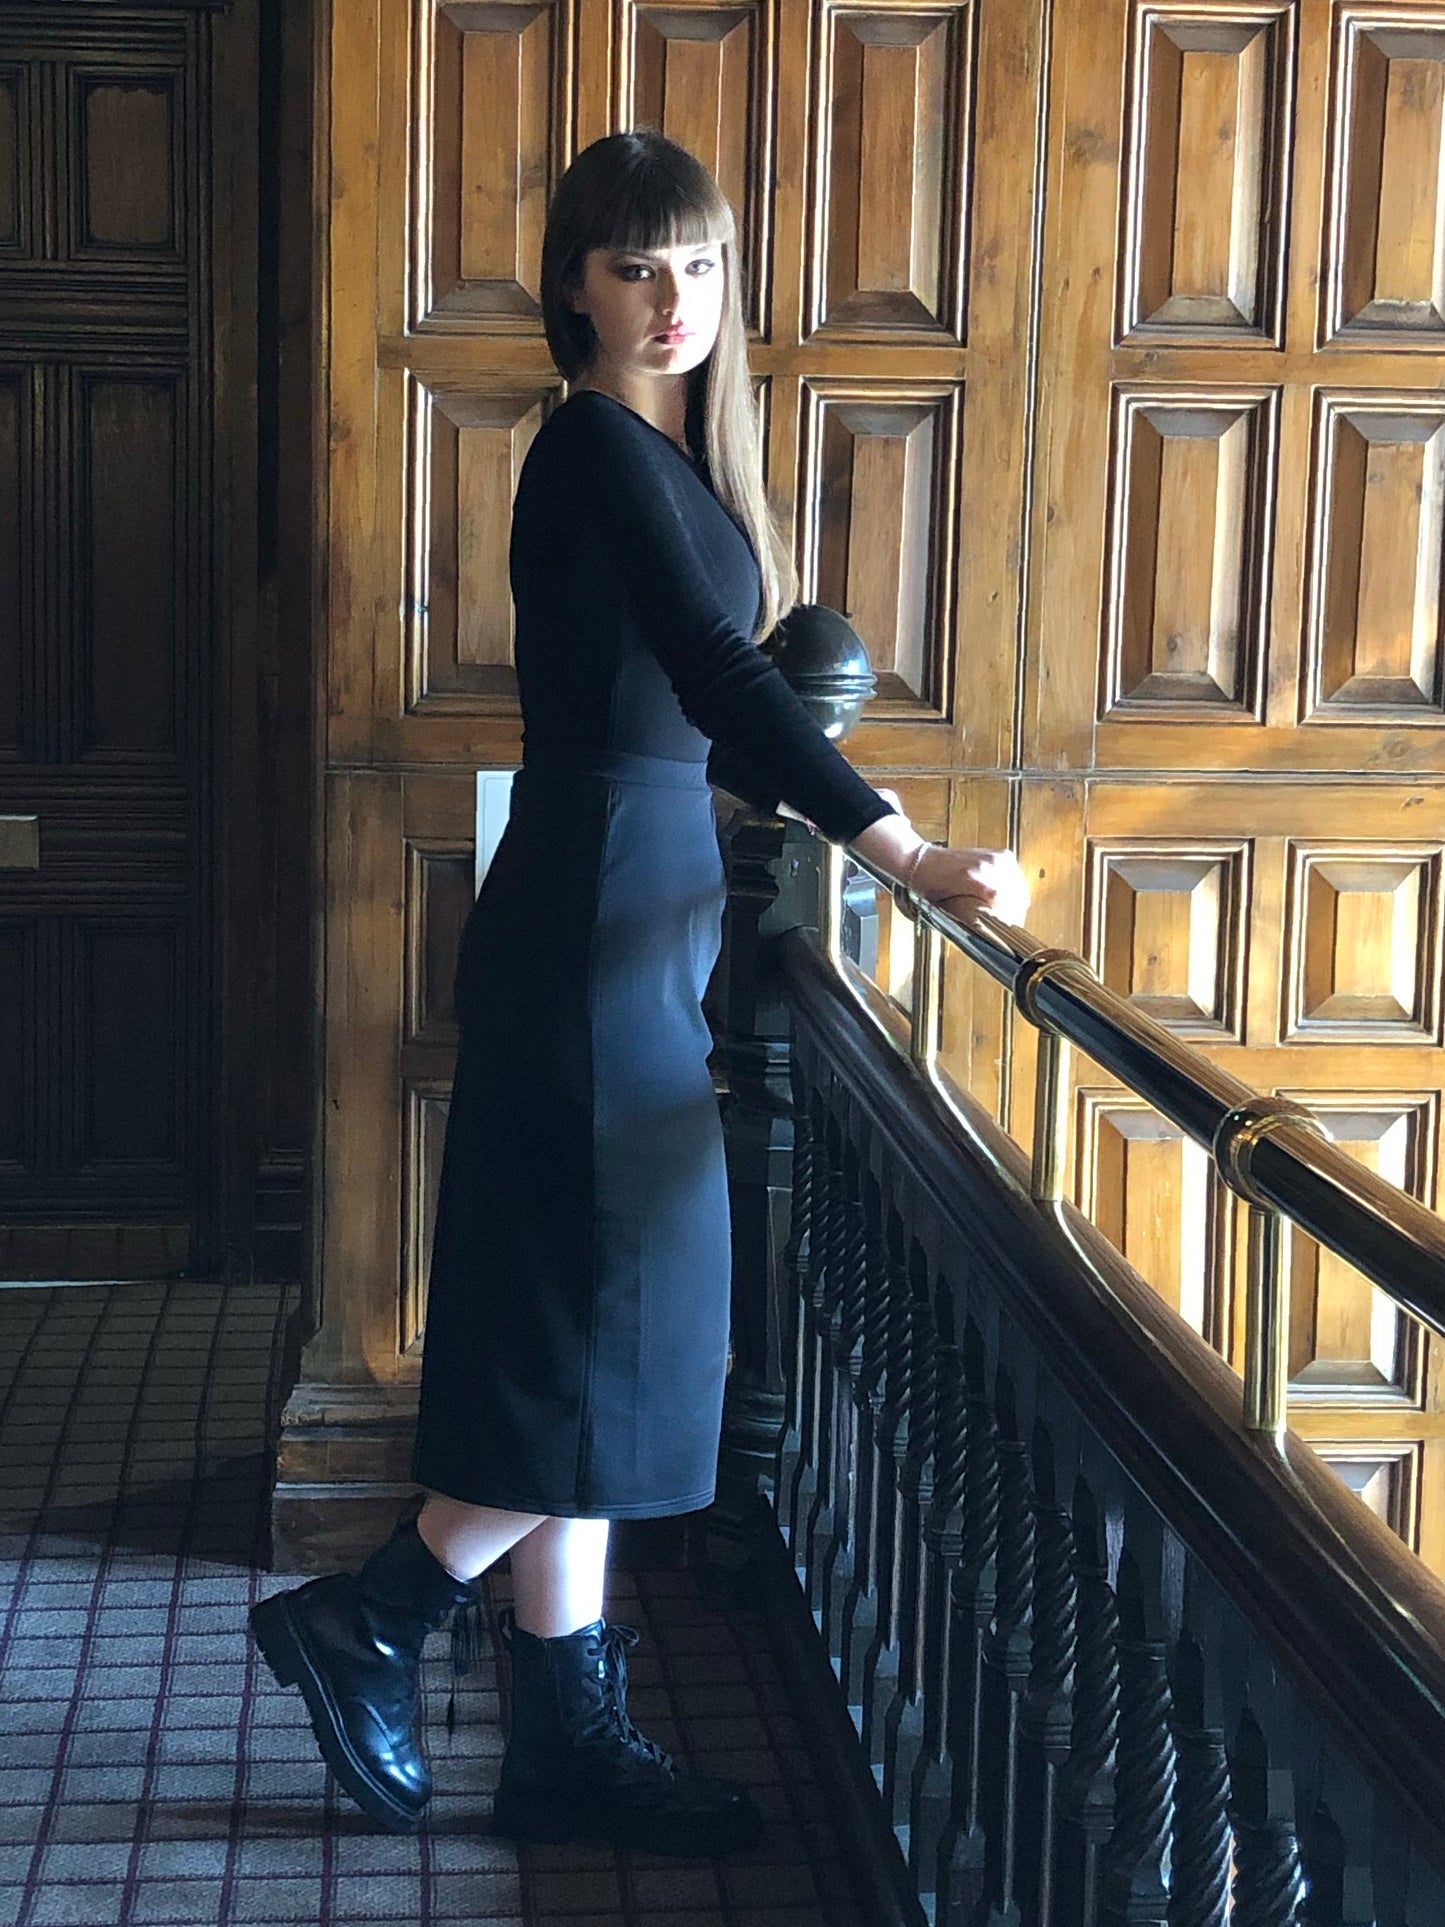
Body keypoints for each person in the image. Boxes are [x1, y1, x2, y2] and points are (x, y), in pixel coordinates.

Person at [250, 130, 1030, 1859]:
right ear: (575, 290)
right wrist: (901, 848)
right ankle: (370, 1615)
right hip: (594, 923)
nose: (670, 300)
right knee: (614, 1336)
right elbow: (725, 678)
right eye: (633, 267)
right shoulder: (593, 448)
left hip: (637, 922)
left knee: (587, 1333)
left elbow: (719, 684)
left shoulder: (681, 464)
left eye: (695, 265)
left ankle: (567, 1738)